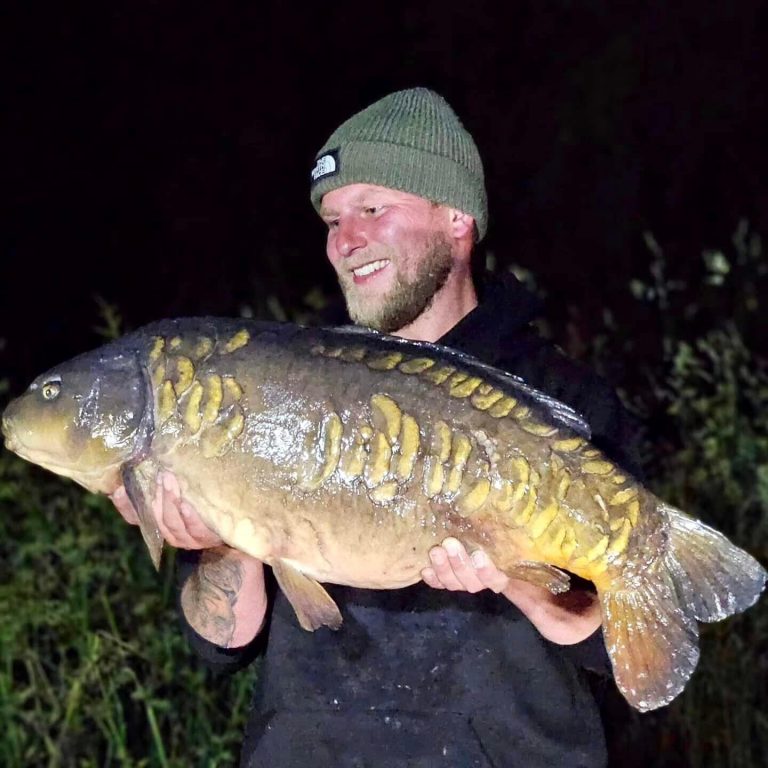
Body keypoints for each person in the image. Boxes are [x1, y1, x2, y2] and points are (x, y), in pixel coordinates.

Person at [112, 88, 641, 767]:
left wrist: (514, 570)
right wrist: (225, 540)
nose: (344, 240)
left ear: (456, 217)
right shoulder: (283, 385)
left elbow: (627, 656)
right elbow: (220, 644)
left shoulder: (561, 403)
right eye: (332, 219)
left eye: (371, 208)